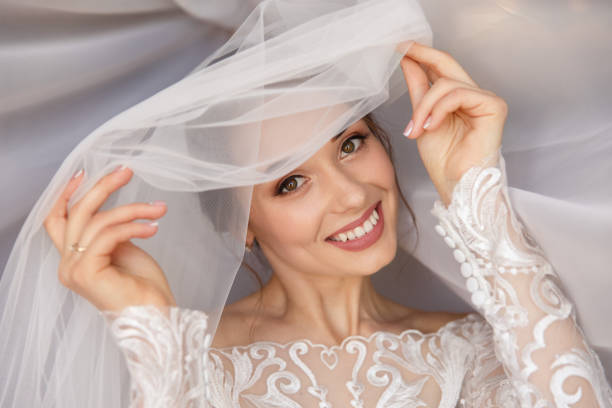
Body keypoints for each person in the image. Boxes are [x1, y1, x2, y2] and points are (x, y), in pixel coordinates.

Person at [43, 41, 612, 407]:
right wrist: (149, 330)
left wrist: (476, 191)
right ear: (242, 224)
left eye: (351, 143)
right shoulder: (197, 364)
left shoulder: (468, 350)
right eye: (289, 182)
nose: (351, 194)